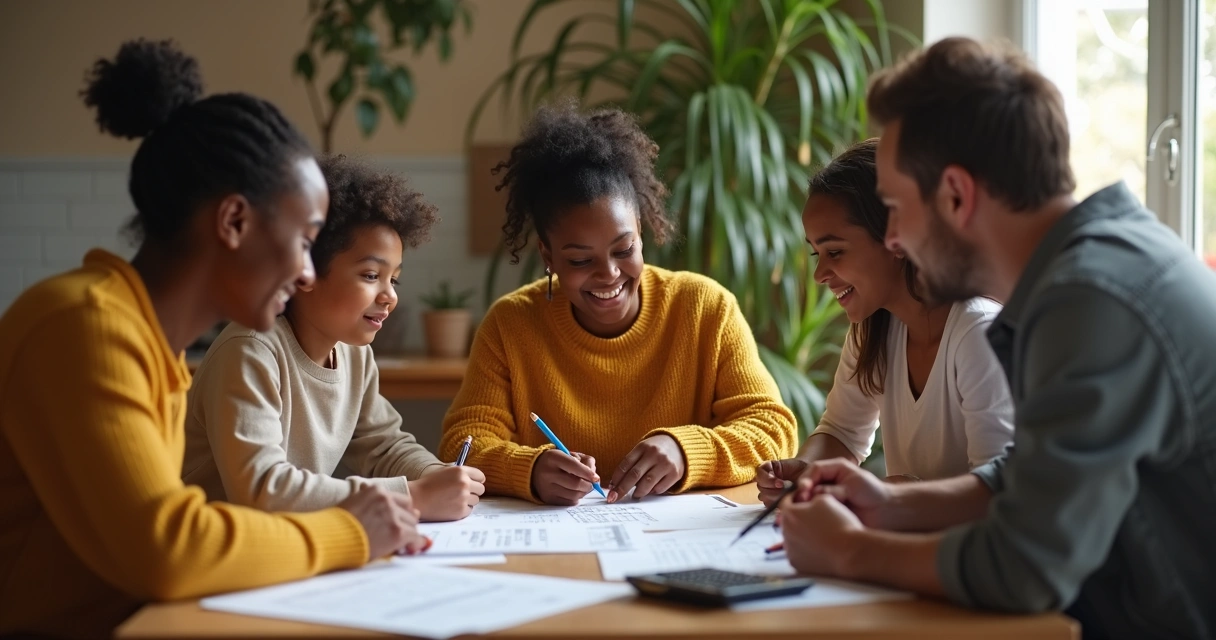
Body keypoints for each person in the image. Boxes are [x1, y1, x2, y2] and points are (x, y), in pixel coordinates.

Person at [778, 37, 1216, 640]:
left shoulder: (1090, 302)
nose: (896, 238)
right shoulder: (1099, 264)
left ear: (956, 195)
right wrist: (892, 504)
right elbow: (1030, 476)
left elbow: (1027, 565)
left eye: (897, 208)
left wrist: (852, 551)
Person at [0, 40, 425, 638]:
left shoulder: (152, 343)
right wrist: (352, 532)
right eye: (305, 240)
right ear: (232, 222)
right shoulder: (85, 326)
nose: (307, 272)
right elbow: (169, 547)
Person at [438, 101, 797, 506]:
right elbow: (462, 443)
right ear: (548, 255)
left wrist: (685, 451)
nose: (608, 273)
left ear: (641, 232)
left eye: (624, 249)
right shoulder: (511, 324)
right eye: (579, 260)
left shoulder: (705, 307)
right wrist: (530, 469)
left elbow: (774, 431)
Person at [182, 154, 485, 521]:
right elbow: (261, 489)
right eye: (371, 275)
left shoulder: (353, 354)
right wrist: (413, 497)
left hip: (288, 552)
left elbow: (382, 446)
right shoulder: (250, 350)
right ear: (305, 272)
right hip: (224, 554)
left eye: (395, 279)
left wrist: (431, 473)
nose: (390, 295)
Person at [756, 140, 1013, 506]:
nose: (819, 274)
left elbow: (998, 494)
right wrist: (806, 472)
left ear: (897, 238)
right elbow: (842, 433)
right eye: (817, 253)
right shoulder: (873, 329)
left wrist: (888, 492)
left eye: (835, 252)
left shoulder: (979, 333)